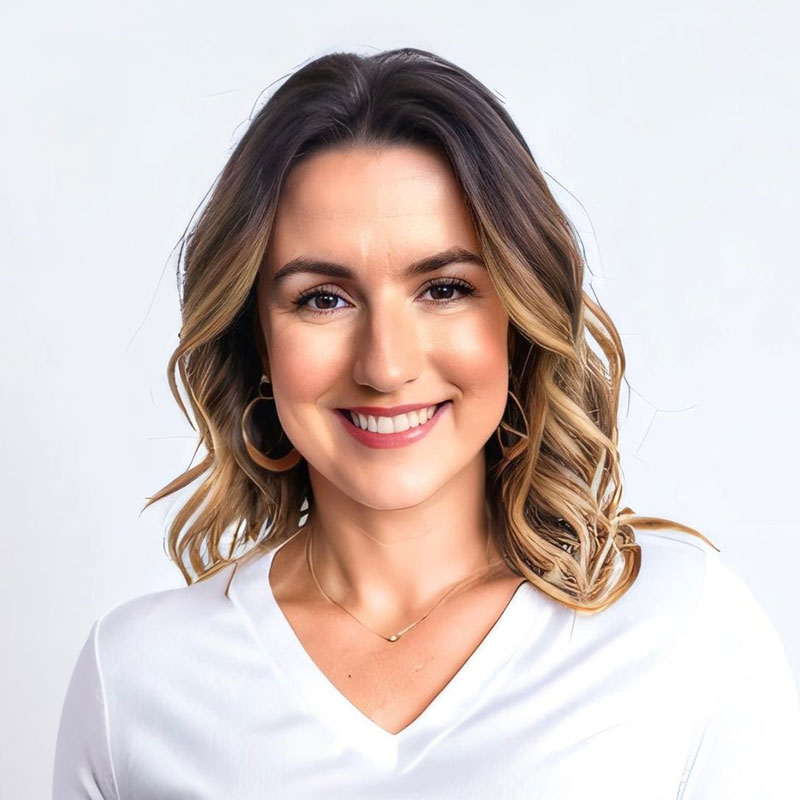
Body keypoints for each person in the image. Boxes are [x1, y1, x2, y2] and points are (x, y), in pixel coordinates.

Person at [52, 47, 800, 799]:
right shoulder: (135, 679)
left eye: (443, 289)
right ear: (257, 340)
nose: (385, 365)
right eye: (323, 298)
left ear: (519, 316)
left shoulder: (683, 629)